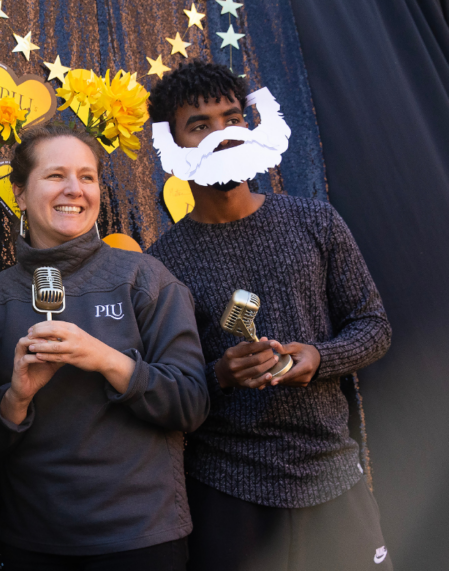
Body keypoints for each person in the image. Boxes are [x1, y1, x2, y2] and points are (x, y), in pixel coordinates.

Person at [146, 60, 394, 571]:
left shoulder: (315, 222)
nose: (223, 135)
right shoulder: (161, 264)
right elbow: (166, 388)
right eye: (200, 125)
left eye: (233, 118)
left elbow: (375, 327)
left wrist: (318, 357)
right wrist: (222, 374)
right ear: (172, 146)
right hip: (226, 488)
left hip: (332, 476)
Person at [0, 123, 210, 571]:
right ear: (20, 194)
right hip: (33, 542)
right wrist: (16, 399)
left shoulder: (143, 278)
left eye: (87, 177)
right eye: (55, 176)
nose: (75, 189)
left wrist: (104, 359)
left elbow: (192, 404)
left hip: (140, 539)